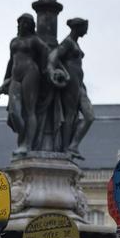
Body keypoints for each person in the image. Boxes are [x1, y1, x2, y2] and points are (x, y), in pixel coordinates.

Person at [0, 13, 50, 155]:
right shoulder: (14, 41)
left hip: (31, 73)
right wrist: (5, 80)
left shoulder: (34, 40)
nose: (21, 25)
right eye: (20, 23)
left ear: (30, 25)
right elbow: (10, 61)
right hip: (15, 76)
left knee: (29, 110)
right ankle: (24, 137)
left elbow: (45, 49)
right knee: (14, 112)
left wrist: (44, 69)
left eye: (25, 23)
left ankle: (26, 144)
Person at [45, 17, 95, 159]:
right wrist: (53, 71)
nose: (86, 31)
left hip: (79, 84)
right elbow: (52, 58)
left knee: (89, 116)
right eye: (85, 28)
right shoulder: (67, 43)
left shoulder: (74, 44)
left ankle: (73, 146)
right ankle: (67, 147)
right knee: (70, 115)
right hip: (71, 84)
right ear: (78, 28)